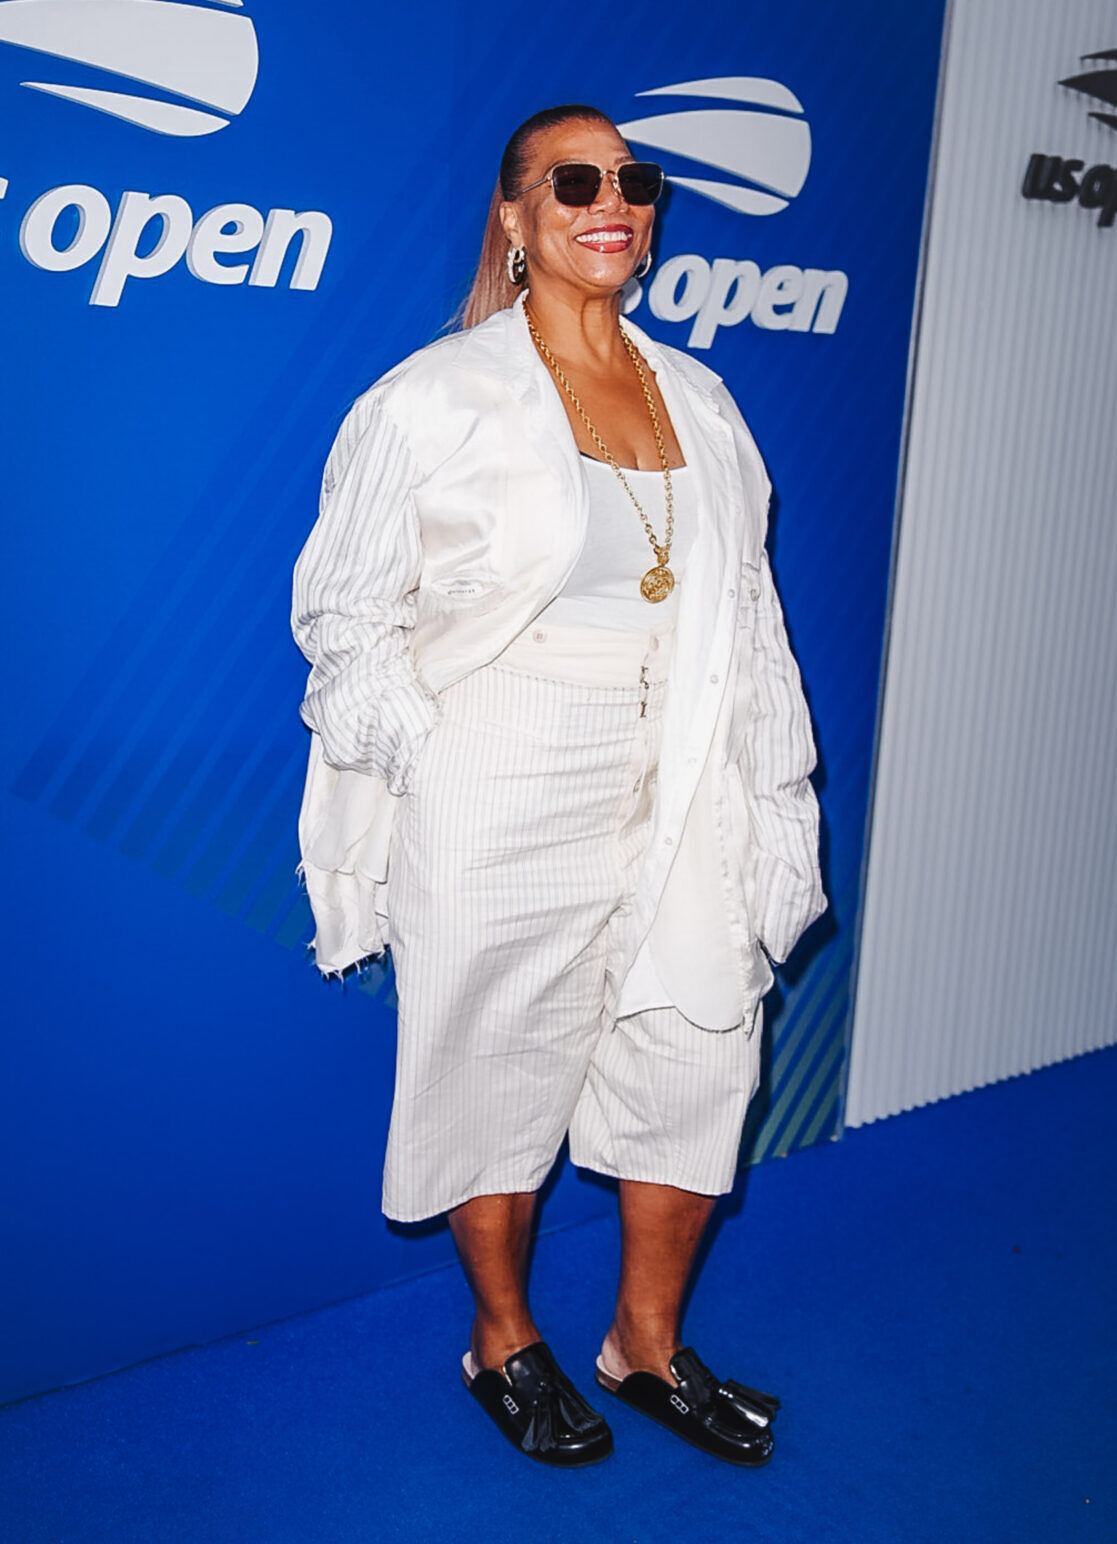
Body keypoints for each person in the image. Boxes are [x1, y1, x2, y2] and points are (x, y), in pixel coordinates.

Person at [291, 104, 826, 1469]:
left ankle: (643, 1344)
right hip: (505, 771)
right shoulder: (430, 398)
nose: (614, 200)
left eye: (634, 181)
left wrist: (771, 779)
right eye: (573, 180)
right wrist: (435, 757)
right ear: (515, 220)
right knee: (494, 1057)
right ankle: (504, 1337)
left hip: (682, 763)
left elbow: (747, 610)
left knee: (701, 1039)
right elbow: (342, 612)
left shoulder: (696, 395)